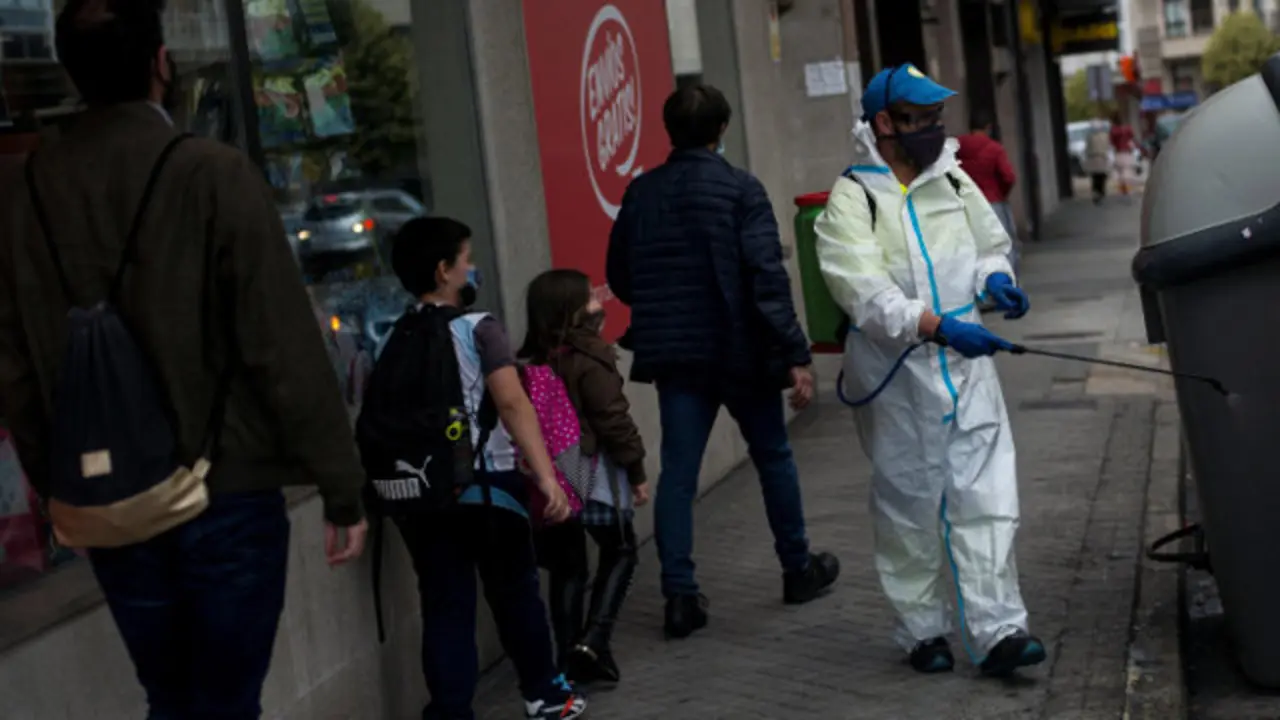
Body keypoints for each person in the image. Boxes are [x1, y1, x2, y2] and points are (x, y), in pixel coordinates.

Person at [0, 1, 369, 716]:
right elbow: (280, 342)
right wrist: (340, 485)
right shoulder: (210, 173)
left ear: (71, 74)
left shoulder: (30, 192)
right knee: (227, 700)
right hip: (225, 482)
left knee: (170, 697)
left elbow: (14, 364)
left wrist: (59, 481)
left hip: (107, 496)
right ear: (161, 65)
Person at [813, 63, 1046, 677]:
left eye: (938, 116)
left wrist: (995, 280)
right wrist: (936, 326)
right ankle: (922, 631)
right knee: (909, 506)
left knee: (987, 497)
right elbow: (864, 293)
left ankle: (1000, 631)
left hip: (967, 370)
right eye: (920, 118)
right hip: (898, 375)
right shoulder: (852, 199)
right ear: (885, 123)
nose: (935, 128)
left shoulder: (953, 179)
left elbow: (989, 245)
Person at [606, 83, 839, 640]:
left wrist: (667, 303)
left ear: (670, 131)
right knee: (773, 457)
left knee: (678, 475)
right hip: (741, 350)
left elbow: (620, 276)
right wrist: (795, 355)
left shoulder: (641, 194)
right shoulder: (741, 189)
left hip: (677, 355)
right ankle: (796, 568)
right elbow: (766, 278)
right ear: (721, 129)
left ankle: (680, 597)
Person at [382, 217, 585, 720]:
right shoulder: (478, 328)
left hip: (425, 494)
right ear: (443, 270)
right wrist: (547, 477)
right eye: (466, 259)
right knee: (515, 593)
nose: (472, 268)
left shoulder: (395, 337)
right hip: (489, 486)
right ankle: (545, 695)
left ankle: (450, 712)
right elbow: (512, 404)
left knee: (445, 606)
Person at [519, 269, 649, 685]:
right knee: (622, 549)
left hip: (550, 474)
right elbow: (614, 420)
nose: (598, 301)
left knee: (568, 566)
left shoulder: (532, 361)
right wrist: (636, 469)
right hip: (590, 471)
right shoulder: (590, 358)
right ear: (571, 310)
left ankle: (567, 659)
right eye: (589, 296)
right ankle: (592, 641)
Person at [956, 109, 1018, 271]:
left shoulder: (957, 148)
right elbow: (1008, 177)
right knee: (1003, 246)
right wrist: (1002, 194)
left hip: (966, 202)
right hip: (993, 201)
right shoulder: (994, 148)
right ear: (988, 127)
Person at [1083, 116, 1112, 204]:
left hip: (1093, 158)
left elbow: (1087, 148)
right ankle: (1101, 192)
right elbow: (1108, 146)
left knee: (1095, 177)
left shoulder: (1089, 136)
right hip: (1102, 157)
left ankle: (1096, 193)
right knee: (1102, 176)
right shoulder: (1105, 135)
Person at [1110, 111, 1137, 198]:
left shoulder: (1114, 130)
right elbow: (1132, 138)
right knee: (1128, 171)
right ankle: (1129, 189)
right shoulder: (1128, 128)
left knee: (1120, 171)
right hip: (1128, 152)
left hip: (1118, 152)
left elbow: (1112, 142)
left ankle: (1122, 189)